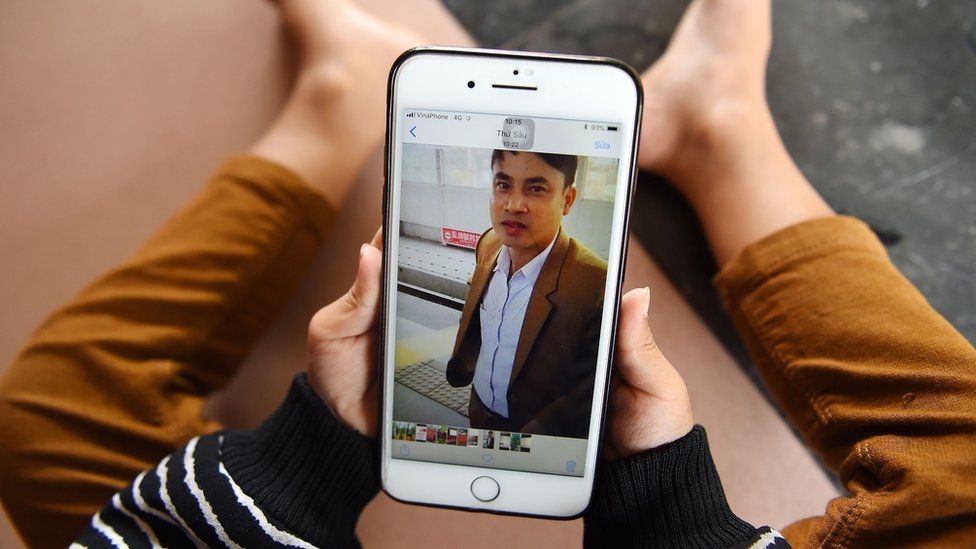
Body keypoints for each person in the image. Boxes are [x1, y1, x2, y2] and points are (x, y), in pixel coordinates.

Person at [0, 0, 974, 547]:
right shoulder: (480, 263)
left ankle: (340, 96)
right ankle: (720, 131)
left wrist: (308, 461)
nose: (508, 203)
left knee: (51, 412)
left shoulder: (585, 282)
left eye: (531, 187)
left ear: (565, 200)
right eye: (498, 182)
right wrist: (660, 496)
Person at [446, 150, 607, 438]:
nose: (514, 205)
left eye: (535, 188)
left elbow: (593, 385)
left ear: (567, 200)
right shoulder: (488, 244)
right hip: (478, 411)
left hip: (533, 434)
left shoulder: (597, 283)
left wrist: (542, 429)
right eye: (503, 185)